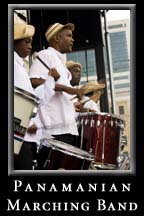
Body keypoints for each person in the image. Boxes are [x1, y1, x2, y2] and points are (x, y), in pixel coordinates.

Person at [14, 23, 59, 169]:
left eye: (31, 42)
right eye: (26, 41)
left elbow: (32, 98)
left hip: (24, 137)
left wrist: (49, 80)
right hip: (19, 137)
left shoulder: (20, 66)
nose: (30, 46)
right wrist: (25, 124)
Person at [29, 22, 83, 146]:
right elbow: (33, 81)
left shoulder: (60, 61)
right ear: (57, 38)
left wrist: (72, 103)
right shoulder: (46, 54)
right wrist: (70, 90)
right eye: (69, 36)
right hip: (54, 129)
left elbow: (55, 90)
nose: (72, 39)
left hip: (67, 128)